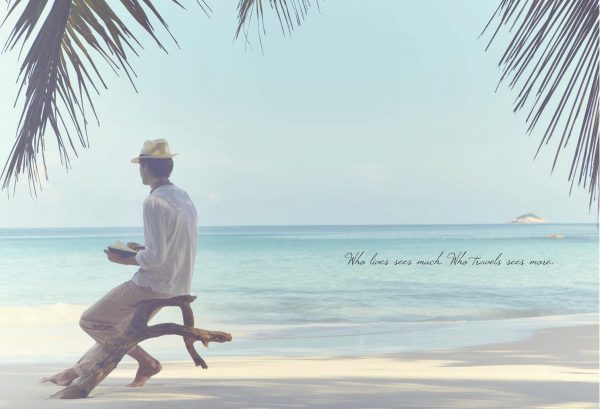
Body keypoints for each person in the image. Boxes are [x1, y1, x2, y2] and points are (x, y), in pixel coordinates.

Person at [41, 139, 198, 388]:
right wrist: (143, 248)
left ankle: (147, 362)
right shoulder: (182, 196)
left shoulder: (153, 201)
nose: (139, 171)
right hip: (179, 284)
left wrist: (123, 259)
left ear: (146, 167)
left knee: (92, 321)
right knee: (117, 330)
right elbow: (174, 247)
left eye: (140, 166)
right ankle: (73, 373)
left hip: (153, 284)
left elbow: (155, 259)